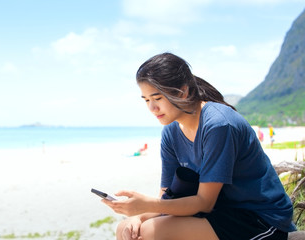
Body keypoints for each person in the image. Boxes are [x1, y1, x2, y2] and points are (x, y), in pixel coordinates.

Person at [103, 53, 295, 240]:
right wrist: (139, 216)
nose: (152, 108)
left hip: (259, 217)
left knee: (151, 232)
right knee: (126, 229)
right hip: (220, 212)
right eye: (146, 100)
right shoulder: (170, 131)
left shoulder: (218, 125)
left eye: (157, 98)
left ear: (183, 91)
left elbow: (204, 203)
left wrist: (146, 206)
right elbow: (167, 198)